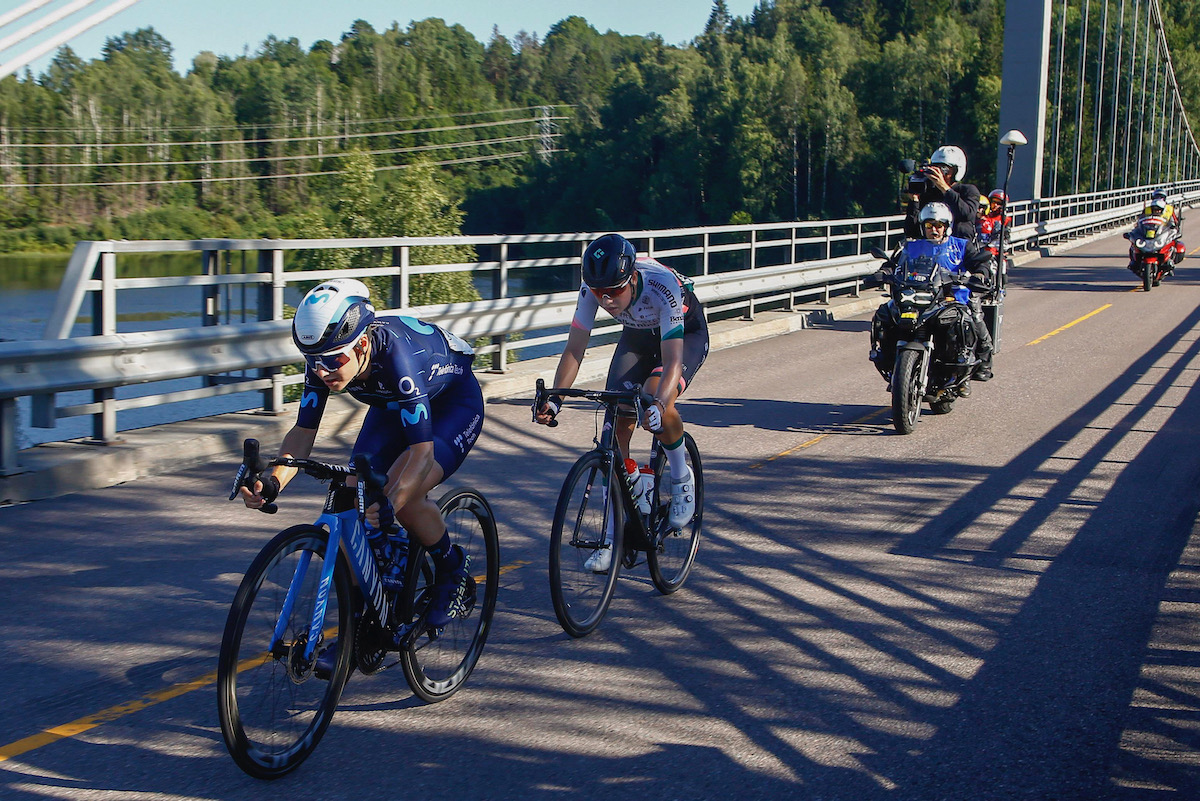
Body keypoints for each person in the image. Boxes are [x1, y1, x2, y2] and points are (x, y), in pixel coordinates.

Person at [239, 277, 484, 628]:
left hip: (451, 405)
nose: (322, 371)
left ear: (363, 344)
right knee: (349, 498)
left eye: (333, 361)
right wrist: (274, 481)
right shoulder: (327, 358)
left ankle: (451, 570)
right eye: (313, 361)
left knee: (405, 494)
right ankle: (359, 625)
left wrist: (391, 501)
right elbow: (304, 431)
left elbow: (422, 454)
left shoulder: (400, 361)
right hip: (389, 406)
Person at [533, 233, 709, 572]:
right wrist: (555, 400)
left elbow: (672, 362)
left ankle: (680, 476)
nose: (607, 300)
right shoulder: (593, 290)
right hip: (638, 337)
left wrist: (658, 403)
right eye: (600, 293)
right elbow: (574, 349)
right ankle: (613, 539)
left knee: (655, 398)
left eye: (614, 291)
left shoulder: (662, 286)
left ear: (631, 278)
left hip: (683, 336)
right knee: (613, 433)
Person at [875, 203, 994, 385]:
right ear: (923, 227)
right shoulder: (910, 246)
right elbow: (893, 264)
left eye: (939, 225)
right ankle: (885, 355)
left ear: (947, 226)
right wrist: (883, 273)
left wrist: (980, 274)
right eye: (929, 225)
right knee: (885, 314)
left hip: (952, 297)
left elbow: (979, 263)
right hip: (916, 295)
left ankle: (982, 362)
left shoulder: (961, 246)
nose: (934, 230)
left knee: (971, 320)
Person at [903, 144, 982, 243]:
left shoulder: (968, 190)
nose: (938, 173)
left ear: (956, 170)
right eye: (935, 168)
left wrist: (944, 188)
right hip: (929, 251)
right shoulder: (927, 192)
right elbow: (911, 231)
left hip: (959, 250)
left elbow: (966, 215)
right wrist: (914, 200)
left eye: (944, 169)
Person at [1127, 188, 1186, 274]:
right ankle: (1135, 262)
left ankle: (1169, 261)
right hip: (1150, 231)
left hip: (1163, 231)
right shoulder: (1147, 209)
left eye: (1161, 197)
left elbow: (1174, 221)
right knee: (1134, 243)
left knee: (1173, 242)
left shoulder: (1169, 209)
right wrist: (1137, 228)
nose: (1157, 210)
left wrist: (1173, 227)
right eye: (1157, 197)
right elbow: (1141, 220)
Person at [977, 189, 1011, 258]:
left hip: (996, 251)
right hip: (981, 248)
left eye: (998, 203)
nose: (995, 205)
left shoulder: (1005, 219)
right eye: (993, 202)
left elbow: (1006, 238)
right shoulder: (984, 217)